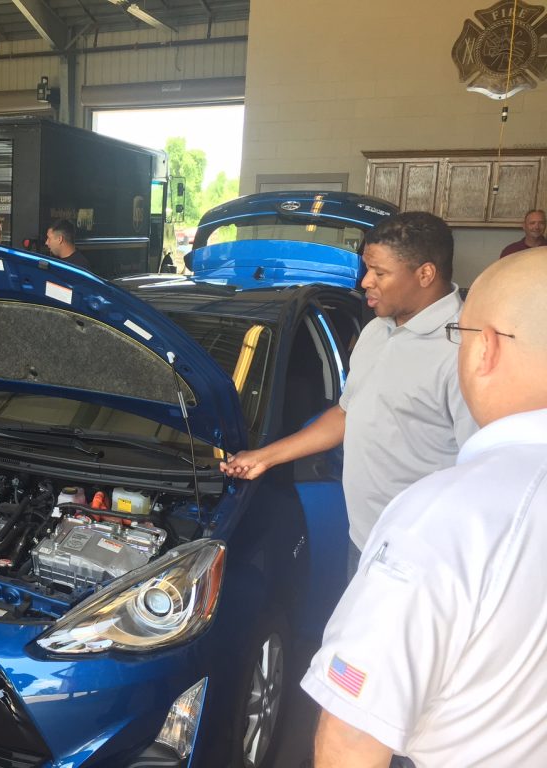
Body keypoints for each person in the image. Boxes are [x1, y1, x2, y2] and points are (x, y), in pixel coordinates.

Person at [305, 247, 547, 767]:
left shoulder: (440, 520)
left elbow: (352, 737)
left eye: (462, 336)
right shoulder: (376, 334)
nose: (365, 282)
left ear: (485, 349)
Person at [220, 212, 476, 572]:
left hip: (422, 556)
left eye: (379, 272)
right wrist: (264, 457)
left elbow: (482, 472)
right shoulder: (376, 331)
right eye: (367, 268)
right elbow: (346, 413)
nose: (365, 281)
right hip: (364, 536)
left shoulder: (464, 351)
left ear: (425, 274)